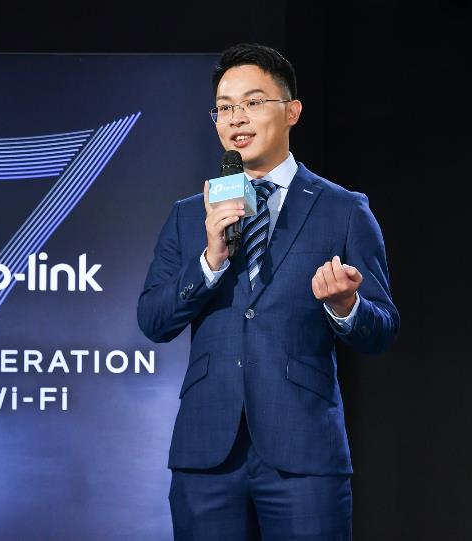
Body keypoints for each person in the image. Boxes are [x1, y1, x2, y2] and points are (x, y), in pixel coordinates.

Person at [137, 43, 400, 541]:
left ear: (292, 111)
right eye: (224, 107)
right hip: (207, 454)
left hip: (304, 452)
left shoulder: (343, 209)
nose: (236, 118)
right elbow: (152, 320)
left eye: (253, 102)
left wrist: (346, 306)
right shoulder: (190, 215)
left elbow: (382, 329)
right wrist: (210, 260)